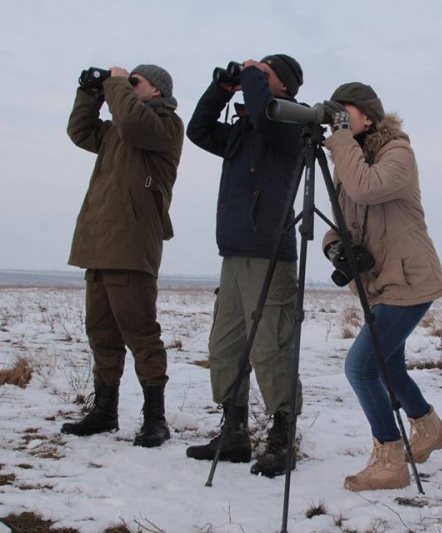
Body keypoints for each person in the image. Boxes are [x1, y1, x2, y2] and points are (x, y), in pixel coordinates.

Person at [320, 83, 442, 491]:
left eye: (345, 113)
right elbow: (339, 219)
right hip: (380, 283)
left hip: (409, 279)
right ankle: (429, 428)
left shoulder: (398, 153)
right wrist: (335, 248)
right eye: (334, 114)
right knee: (389, 366)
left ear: (369, 117)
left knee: (360, 367)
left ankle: (390, 459)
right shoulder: (351, 159)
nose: (338, 121)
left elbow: (366, 188)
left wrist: (340, 140)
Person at [185, 54, 304, 478]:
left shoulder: (291, 123)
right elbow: (197, 130)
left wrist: (252, 75)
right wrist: (222, 88)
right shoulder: (244, 131)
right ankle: (234, 433)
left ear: (285, 86)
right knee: (226, 346)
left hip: (269, 253)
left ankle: (282, 437)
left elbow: (266, 116)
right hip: (233, 251)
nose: (255, 80)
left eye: (266, 76)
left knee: (269, 346)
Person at [60, 64, 184, 449]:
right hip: (99, 244)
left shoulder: (165, 126)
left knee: (141, 334)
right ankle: (105, 412)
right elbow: (79, 132)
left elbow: (132, 122)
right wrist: (90, 93)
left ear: (158, 92)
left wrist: (115, 82)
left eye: (135, 83)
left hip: (131, 246)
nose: (127, 88)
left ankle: (155, 419)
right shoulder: (117, 131)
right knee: (102, 333)